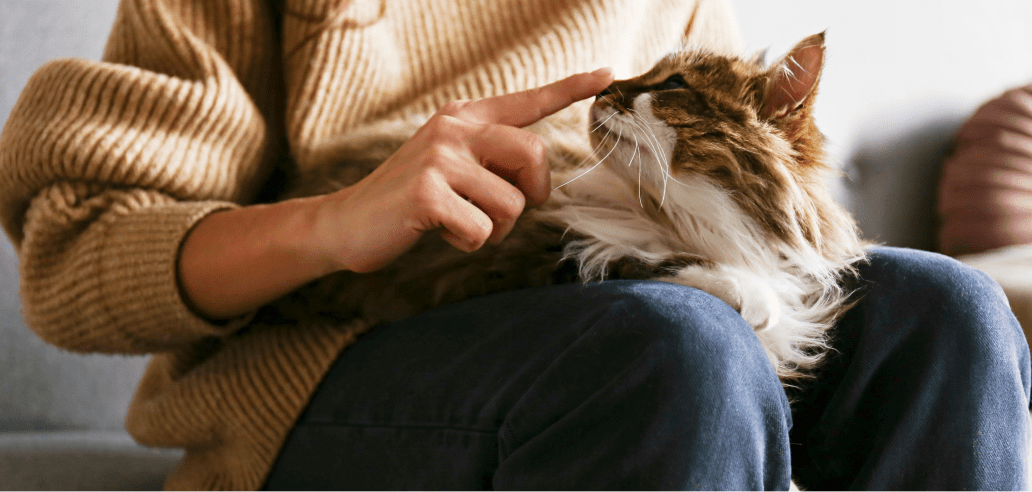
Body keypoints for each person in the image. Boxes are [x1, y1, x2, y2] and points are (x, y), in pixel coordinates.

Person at [0, 0, 1027, 490]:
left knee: (949, 314)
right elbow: (74, 257)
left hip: (590, 310)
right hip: (323, 374)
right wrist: (335, 222)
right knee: (678, 351)